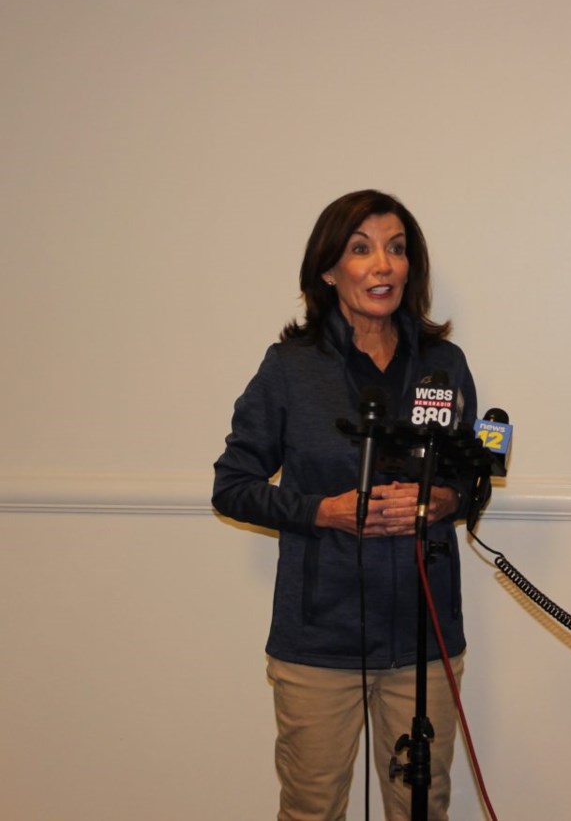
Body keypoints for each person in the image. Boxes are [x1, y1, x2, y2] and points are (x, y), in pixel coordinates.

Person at [212, 189, 477, 821]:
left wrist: (445, 499)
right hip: (319, 636)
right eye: (361, 250)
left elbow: (473, 479)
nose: (382, 266)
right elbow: (232, 484)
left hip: (424, 630)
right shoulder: (289, 368)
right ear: (329, 270)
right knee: (311, 808)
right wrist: (320, 512)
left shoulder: (444, 364)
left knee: (423, 807)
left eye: (396, 249)